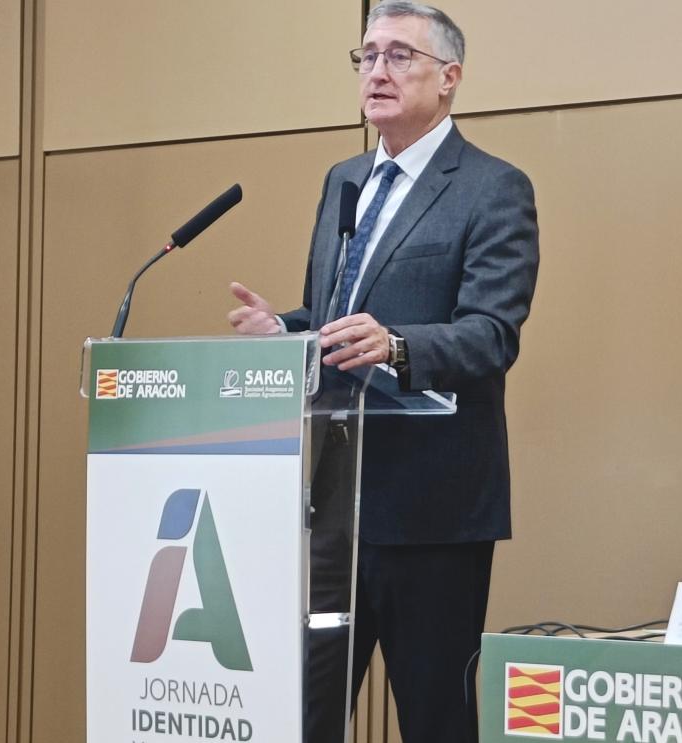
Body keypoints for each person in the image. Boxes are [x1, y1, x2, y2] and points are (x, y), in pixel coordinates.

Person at [228, 2, 539, 740]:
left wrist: (396, 344)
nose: (377, 70)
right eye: (366, 56)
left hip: (434, 511)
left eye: (399, 55)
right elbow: (336, 311)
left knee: (436, 719)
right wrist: (288, 328)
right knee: (307, 716)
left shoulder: (492, 187)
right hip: (337, 506)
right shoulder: (345, 178)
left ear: (449, 77)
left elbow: (491, 334)